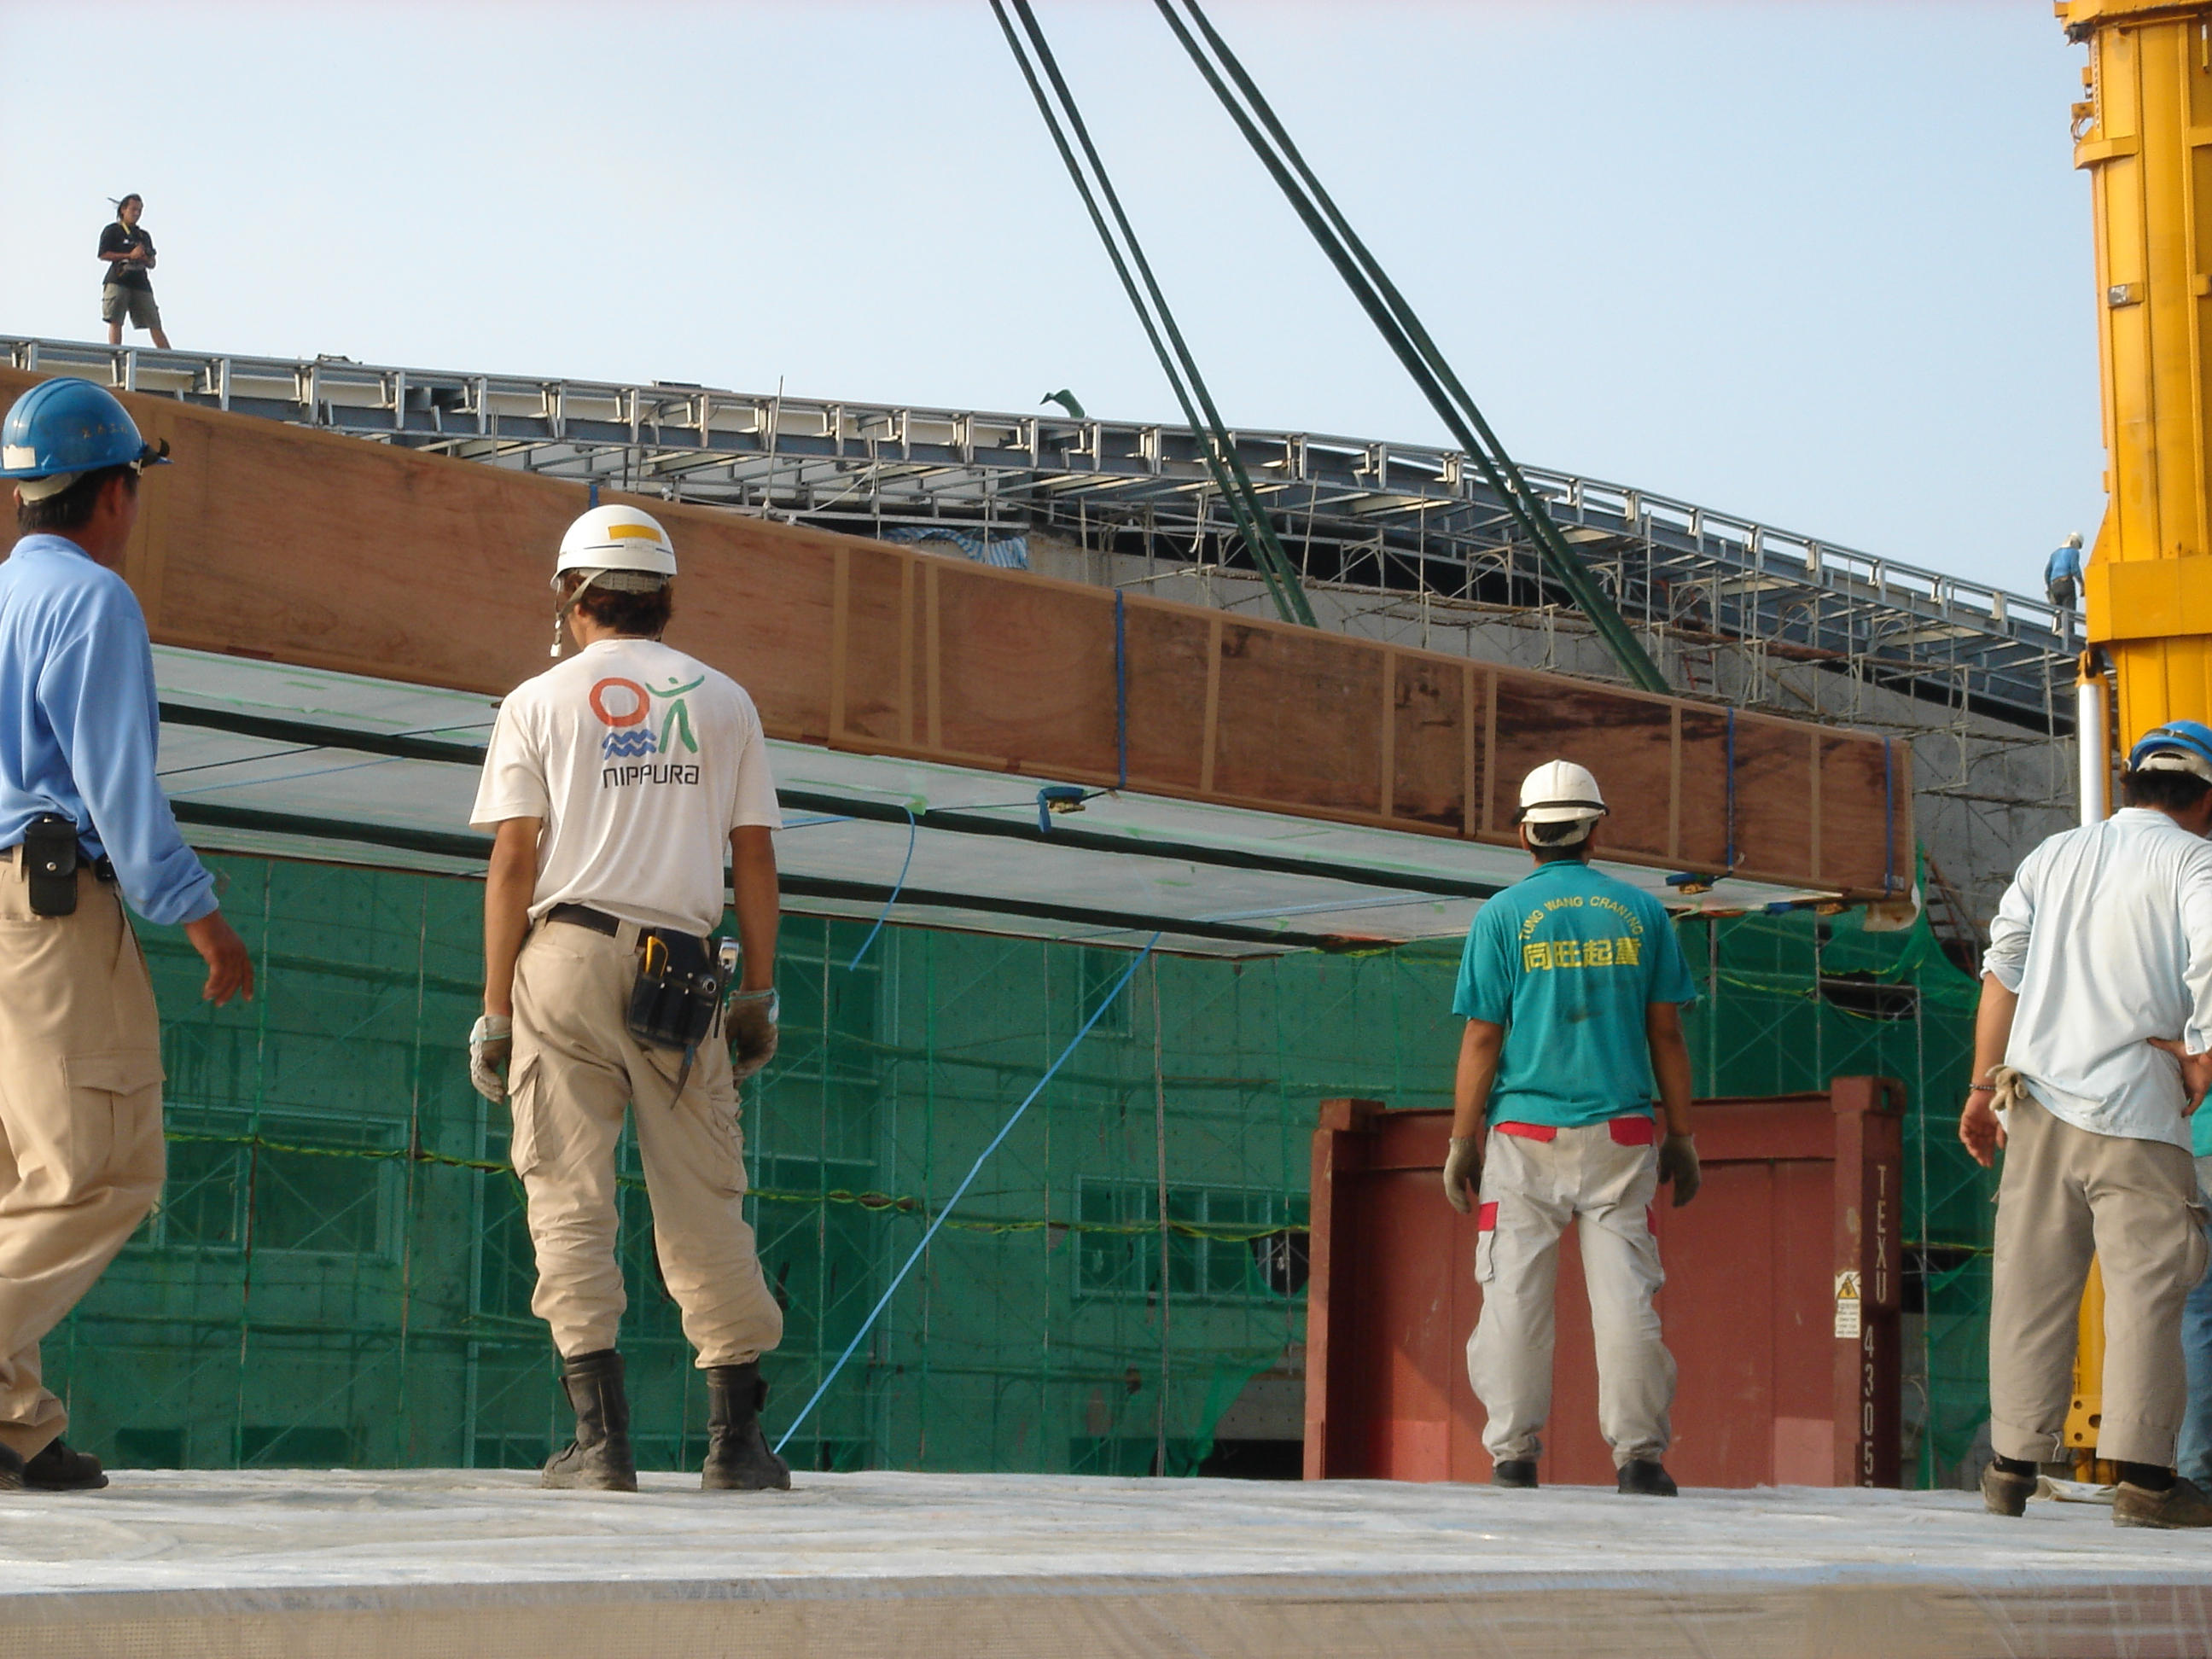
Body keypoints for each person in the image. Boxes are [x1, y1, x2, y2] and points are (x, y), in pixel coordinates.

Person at [468, 503, 789, 1493]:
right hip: (682, 971)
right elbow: (755, 858)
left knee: (567, 1192)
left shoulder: (537, 701)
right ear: (666, 597)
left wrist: (497, 1008)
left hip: (563, 956)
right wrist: (760, 995)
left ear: (573, 595)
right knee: (703, 1195)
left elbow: (514, 860)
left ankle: (599, 1442)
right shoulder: (725, 701)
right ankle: (734, 1445)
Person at [0, 377, 253, 1490]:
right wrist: (201, 921)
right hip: (45, 907)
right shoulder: (92, 604)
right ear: (111, 494)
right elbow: (120, 794)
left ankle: (12, 1421)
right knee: (102, 1167)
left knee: (19, 1171)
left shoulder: (5, 596)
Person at [1963, 720, 2212, 1528]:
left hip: (2034, 1102)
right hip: (2136, 1113)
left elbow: (2003, 971)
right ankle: (2145, 1484)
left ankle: (2009, 1468)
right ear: (2206, 799)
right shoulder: (2193, 860)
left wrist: (1978, 1090)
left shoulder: (2053, 856)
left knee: (2031, 1287)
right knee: (2146, 1293)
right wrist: (2203, 1052)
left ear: (2129, 783)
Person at [1441, 760, 1701, 1496]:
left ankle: (1513, 1456)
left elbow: (1483, 1041)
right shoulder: (1643, 913)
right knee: (1625, 1300)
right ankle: (1640, 1459)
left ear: (1525, 833)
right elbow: (1668, 1038)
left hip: (1522, 1136)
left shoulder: (1499, 917)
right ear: (1595, 829)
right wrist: (1679, 1133)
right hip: (1621, 1137)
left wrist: (1463, 1142)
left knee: (1514, 1298)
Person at [97, 196, 169, 351]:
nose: (137, 213)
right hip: (118, 279)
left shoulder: (144, 235)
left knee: (154, 322)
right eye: (134, 209)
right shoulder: (113, 230)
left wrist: (144, 258)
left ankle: (169, 357)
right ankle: (115, 353)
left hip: (140, 282)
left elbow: (152, 263)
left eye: (140, 210)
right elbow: (103, 254)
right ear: (123, 210)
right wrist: (129, 256)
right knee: (115, 320)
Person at [2046, 532, 2084, 611]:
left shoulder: (2055, 554)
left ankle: (2056, 623)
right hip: (2066, 583)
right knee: (2069, 612)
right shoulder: (2073, 552)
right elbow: (2075, 569)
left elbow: (2047, 573)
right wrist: (2082, 585)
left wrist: (2050, 588)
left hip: (2055, 585)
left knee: (2057, 612)